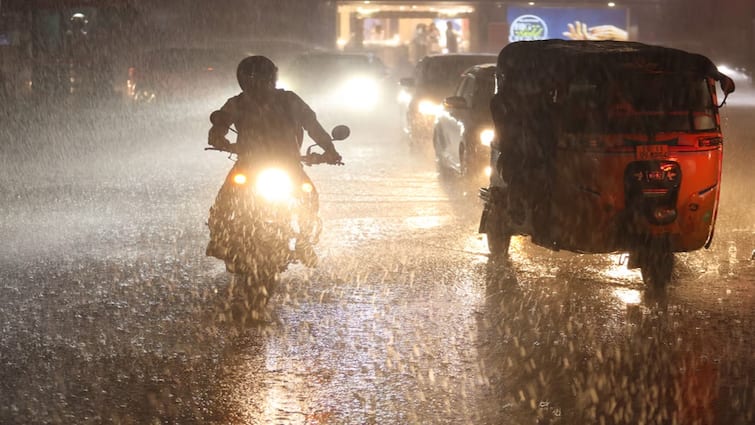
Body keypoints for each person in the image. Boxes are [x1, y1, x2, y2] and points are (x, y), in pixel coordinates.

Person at [206, 55, 342, 265]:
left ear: (272, 79)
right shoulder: (237, 104)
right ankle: (218, 239)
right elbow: (217, 129)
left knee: (309, 197)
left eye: (263, 79)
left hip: (287, 165)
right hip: (248, 165)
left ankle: (304, 241)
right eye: (254, 79)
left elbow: (312, 125)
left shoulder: (289, 100)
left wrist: (330, 150)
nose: (259, 84)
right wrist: (222, 141)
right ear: (245, 81)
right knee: (224, 201)